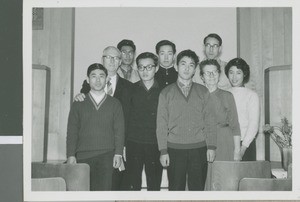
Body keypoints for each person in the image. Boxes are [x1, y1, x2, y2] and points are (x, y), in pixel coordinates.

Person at [156, 49, 217, 191]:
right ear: (176, 67)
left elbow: (210, 121)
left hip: (199, 148)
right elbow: (161, 124)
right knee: (176, 190)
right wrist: (163, 150)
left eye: (191, 65)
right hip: (174, 149)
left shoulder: (203, 91)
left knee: (197, 190)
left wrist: (211, 146)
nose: (187, 68)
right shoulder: (166, 93)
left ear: (195, 69)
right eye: (183, 64)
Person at [76, 46, 132, 190]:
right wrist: (79, 96)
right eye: (108, 57)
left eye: (116, 58)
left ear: (120, 62)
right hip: (96, 146)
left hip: (121, 145)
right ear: (102, 59)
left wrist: (122, 146)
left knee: (115, 187)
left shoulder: (129, 87)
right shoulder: (89, 83)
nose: (112, 61)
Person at [66, 63, 125, 190]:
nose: (98, 80)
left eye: (102, 76)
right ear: (87, 80)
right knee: (84, 193)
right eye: (94, 76)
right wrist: (70, 155)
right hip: (83, 156)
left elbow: (119, 131)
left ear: (107, 80)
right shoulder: (78, 103)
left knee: (104, 193)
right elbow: (72, 131)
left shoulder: (115, 103)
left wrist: (118, 153)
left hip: (107, 156)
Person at [124, 52, 163, 190]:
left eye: (149, 67)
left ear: (156, 68)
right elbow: (125, 118)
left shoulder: (164, 91)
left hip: (155, 144)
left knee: (154, 185)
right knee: (133, 184)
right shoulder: (130, 89)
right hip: (134, 143)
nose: (145, 71)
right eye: (141, 67)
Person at [199, 59, 241, 161]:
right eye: (208, 73)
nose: (212, 75)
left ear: (219, 74)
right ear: (202, 77)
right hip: (203, 141)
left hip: (224, 141)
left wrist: (237, 151)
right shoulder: (197, 96)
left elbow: (235, 126)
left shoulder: (227, 96)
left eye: (215, 72)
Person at [225, 58, 260, 161]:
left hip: (245, 144)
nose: (234, 77)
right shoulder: (224, 94)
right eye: (231, 73)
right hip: (227, 144)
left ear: (244, 74)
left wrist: (242, 149)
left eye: (238, 73)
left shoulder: (251, 95)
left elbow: (253, 125)